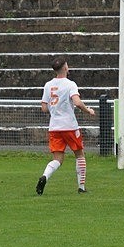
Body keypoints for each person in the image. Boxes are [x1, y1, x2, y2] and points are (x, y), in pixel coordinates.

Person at [36, 57, 95, 195]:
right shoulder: (70, 84)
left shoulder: (48, 85)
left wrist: (55, 109)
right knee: (79, 155)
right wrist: (88, 111)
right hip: (70, 126)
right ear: (65, 68)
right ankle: (81, 187)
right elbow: (77, 102)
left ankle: (45, 176)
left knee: (57, 159)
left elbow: (44, 108)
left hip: (55, 127)